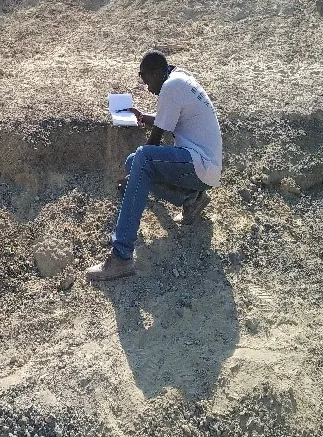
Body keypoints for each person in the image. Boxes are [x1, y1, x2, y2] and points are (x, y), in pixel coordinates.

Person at [86, 50, 222, 281]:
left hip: (200, 164)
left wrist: (133, 183)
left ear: (157, 72)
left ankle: (121, 256)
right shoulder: (179, 78)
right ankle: (192, 199)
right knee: (133, 163)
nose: (148, 89)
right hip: (204, 167)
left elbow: (154, 141)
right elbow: (171, 120)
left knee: (142, 158)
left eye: (148, 81)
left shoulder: (170, 87)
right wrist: (144, 117)